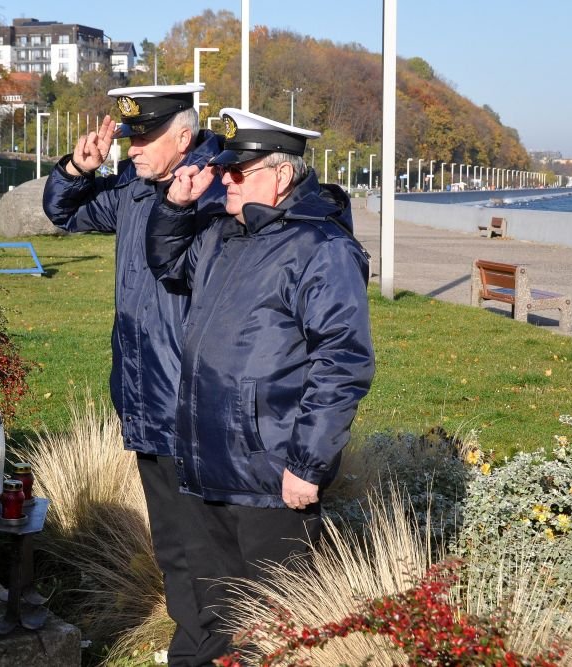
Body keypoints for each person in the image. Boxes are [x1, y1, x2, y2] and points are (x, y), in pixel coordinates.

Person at [145, 108, 376, 663]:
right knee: (211, 616)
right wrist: (175, 206)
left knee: (275, 627)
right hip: (205, 463)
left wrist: (308, 462)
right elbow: (168, 263)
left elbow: (342, 360)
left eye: (237, 171)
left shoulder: (322, 247)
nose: (223, 178)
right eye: (223, 168)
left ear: (281, 174)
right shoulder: (227, 233)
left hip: (270, 472)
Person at [42, 85, 226, 666]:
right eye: (128, 137)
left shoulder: (216, 188)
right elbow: (63, 211)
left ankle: (217, 648)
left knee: (207, 544)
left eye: (143, 137)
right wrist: (78, 167)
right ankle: (190, 645)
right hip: (144, 390)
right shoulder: (132, 189)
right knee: (172, 542)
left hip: (195, 397)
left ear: (183, 135)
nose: (132, 149)